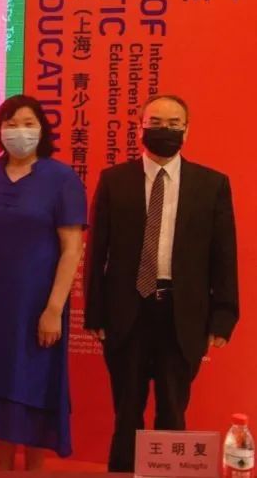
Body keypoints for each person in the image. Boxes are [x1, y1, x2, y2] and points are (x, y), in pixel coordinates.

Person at [85, 94, 239, 472]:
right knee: (127, 410)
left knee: (173, 408)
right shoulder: (114, 180)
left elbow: (224, 255)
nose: (164, 130)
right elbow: (97, 253)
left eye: (173, 124)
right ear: (140, 128)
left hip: (182, 313)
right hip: (127, 311)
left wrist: (223, 315)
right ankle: (125, 470)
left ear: (187, 130)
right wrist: (95, 313)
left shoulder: (211, 184)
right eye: (155, 122)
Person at [0, 95, 85, 468]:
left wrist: (54, 309)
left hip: (38, 305)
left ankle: (33, 471)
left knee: (35, 389)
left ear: (42, 130)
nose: (20, 130)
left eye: (29, 123)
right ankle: (2, 470)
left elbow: (72, 249)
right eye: (11, 123)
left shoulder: (61, 178)